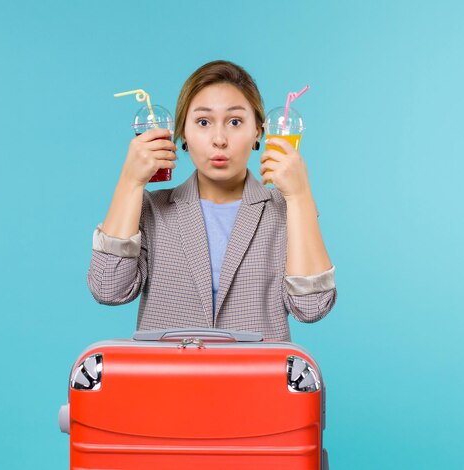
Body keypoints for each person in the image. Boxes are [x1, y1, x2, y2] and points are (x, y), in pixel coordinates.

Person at [87, 60, 337, 341]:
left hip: (257, 382)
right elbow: (108, 289)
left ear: (258, 131)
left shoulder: (283, 210)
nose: (219, 139)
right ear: (182, 133)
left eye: (235, 122)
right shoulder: (151, 210)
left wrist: (300, 195)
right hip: (168, 382)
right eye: (203, 122)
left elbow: (312, 306)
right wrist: (130, 182)